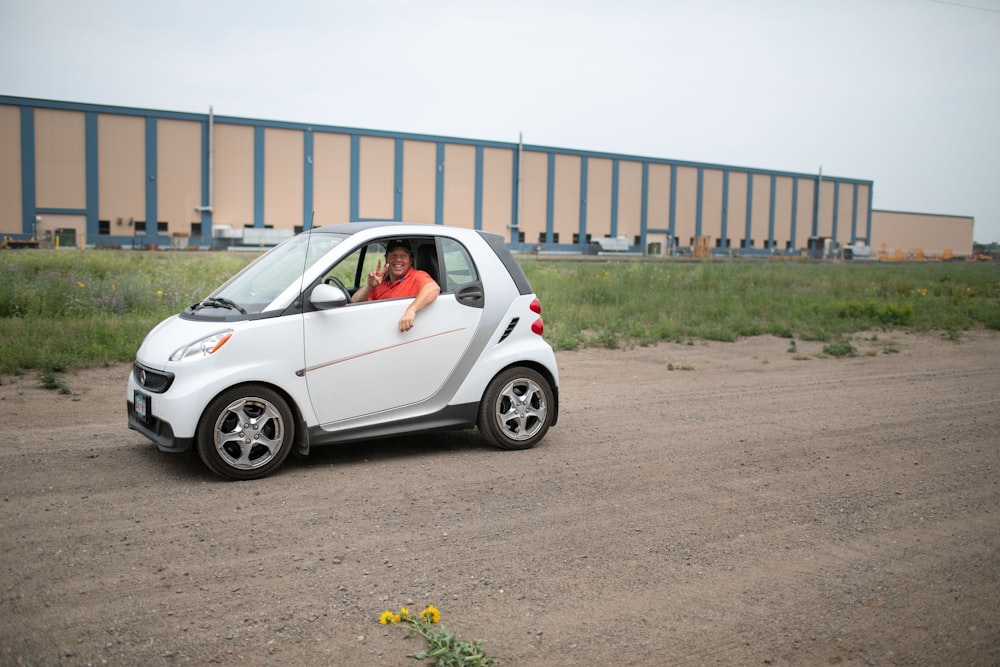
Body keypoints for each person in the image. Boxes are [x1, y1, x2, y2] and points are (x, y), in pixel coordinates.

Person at [351, 239, 440, 332]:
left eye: (403, 256)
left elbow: (433, 288)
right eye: (394, 255)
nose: (398, 260)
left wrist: (411, 310)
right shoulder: (379, 280)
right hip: (377, 330)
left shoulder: (417, 276)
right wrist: (369, 286)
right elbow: (354, 301)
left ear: (410, 260)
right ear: (386, 258)